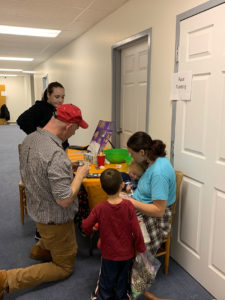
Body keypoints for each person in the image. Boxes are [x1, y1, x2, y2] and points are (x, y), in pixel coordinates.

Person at [0, 104, 90, 298]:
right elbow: (65, 200)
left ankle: (41, 249)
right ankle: (7, 279)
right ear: (68, 126)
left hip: (37, 209)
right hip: (55, 219)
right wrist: (80, 174)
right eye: (76, 128)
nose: (74, 133)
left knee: (57, 242)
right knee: (64, 267)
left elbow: (41, 169)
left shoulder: (31, 139)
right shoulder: (56, 154)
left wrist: (68, 166)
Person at [126, 131, 176, 300]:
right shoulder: (151, 160)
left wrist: (131, 202)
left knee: (117, 227)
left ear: (142, 152)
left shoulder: (159, 172)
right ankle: (124, 269)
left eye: (131, 153)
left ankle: (137, 288)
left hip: (156, 218)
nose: (129, 156)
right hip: (143, 206)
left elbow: (159, 210)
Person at [82, 168, 146, 300]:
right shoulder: (128, 206)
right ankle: (121, 296)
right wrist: (141, 248)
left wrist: (90, 230)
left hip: (108, 254)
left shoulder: (99, 208)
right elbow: (136, 230)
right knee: (123, 280)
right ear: (122, 185)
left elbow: (85, 226)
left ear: (101, 187)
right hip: (127, 254)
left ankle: (103, 297)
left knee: (106, 280)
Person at [17, 81, 67, 240]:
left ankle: (57, 223)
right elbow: (21, 120)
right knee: (46, 191)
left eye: (62, 97)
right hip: (44, 153)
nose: (60, 100)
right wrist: (38, 137)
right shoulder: (41, 107)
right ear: (48, 95)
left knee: (56, 187)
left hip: (56, 151)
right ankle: (42, 233)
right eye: (57, 96)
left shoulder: (55, 110)